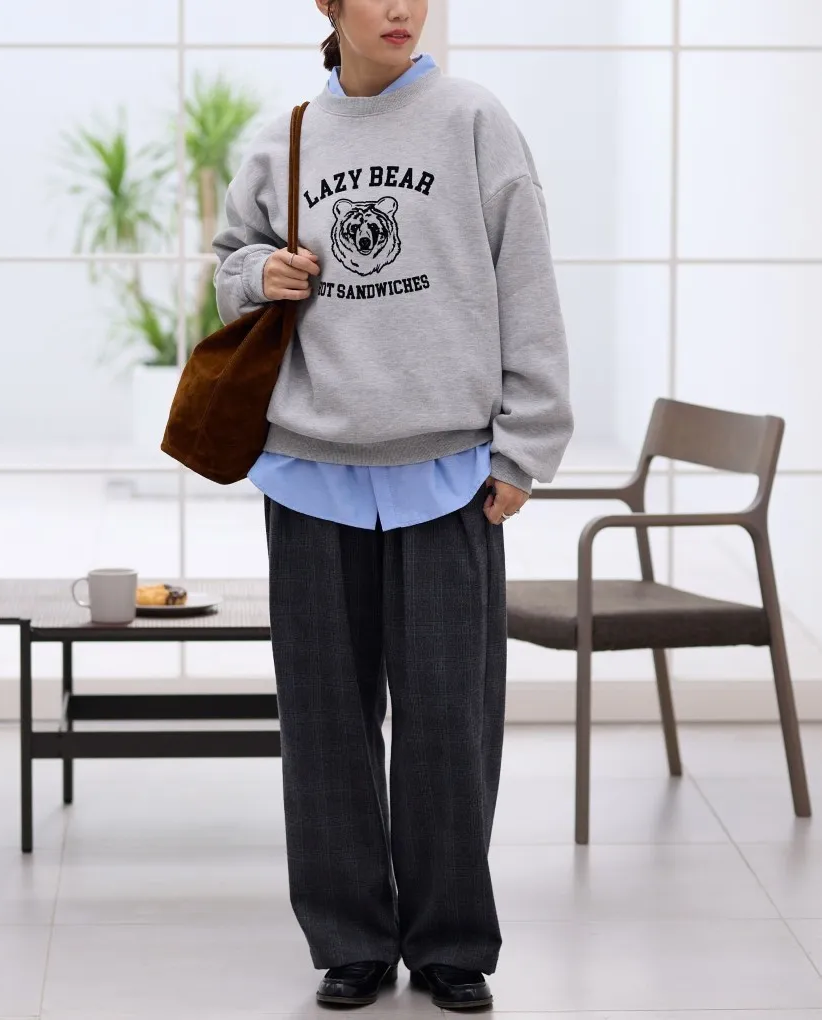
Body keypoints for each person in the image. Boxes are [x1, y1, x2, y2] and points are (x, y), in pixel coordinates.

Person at [213, 0, 573, 1009]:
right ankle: (350, 941)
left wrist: (526, 447)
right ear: (329, 6)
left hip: (448, 476)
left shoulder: (474, 122)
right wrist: (260, 271)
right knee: (324, 725)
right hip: (310, 472)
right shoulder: (283, 137)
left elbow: (528, 290)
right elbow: (229, 265)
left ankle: (451, 943)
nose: (402, 8)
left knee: (450, 725)